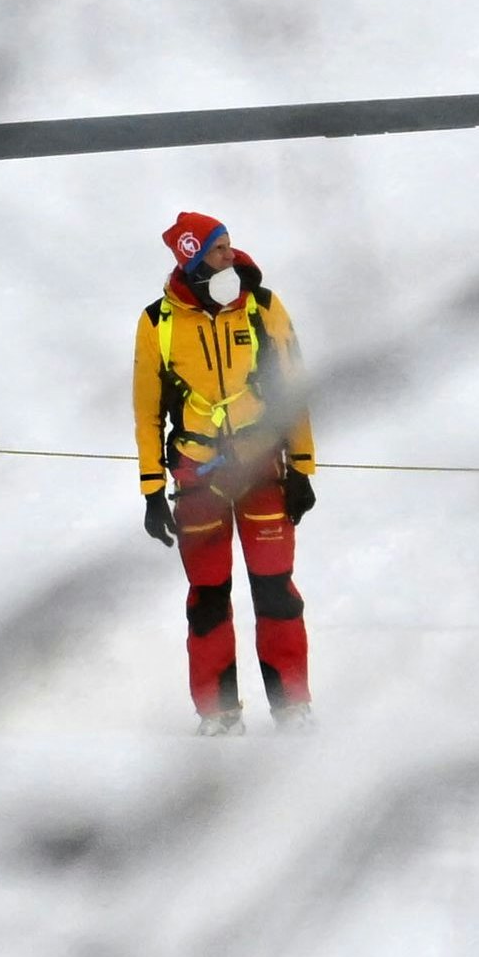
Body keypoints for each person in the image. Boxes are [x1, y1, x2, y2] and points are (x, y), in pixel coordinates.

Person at [134, 212, 315, 734]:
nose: (229, 258)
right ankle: (219, 714)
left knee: (276, 591)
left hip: (263, 473)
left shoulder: (262, 308)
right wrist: (151, 490)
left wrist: (302, 466)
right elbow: (147, 412)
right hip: (198, 481)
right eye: (217, 251)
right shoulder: (157, 325)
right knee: (209, 597)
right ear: (191, 261)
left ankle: (293, 707)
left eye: (230, 247)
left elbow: (293, 388)